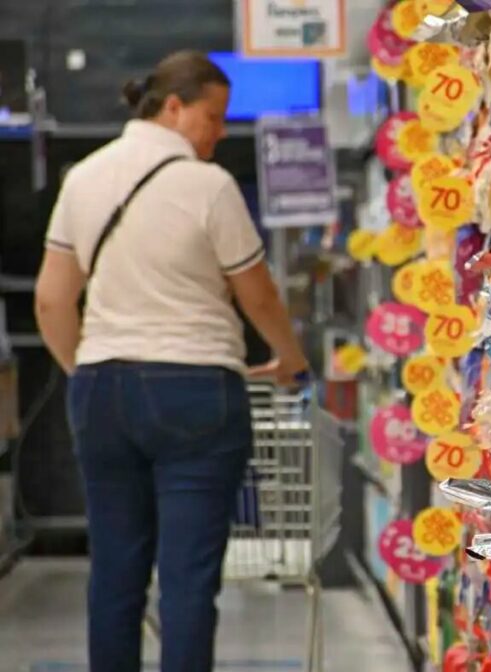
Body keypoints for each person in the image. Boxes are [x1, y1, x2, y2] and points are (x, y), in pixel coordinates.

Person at [34, 50, 309, 672]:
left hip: (101, 386)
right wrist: (290, 358)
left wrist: (88, 373)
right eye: (213, 118)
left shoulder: (84, 177)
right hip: (196, 390)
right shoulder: (209, 186)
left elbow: (52, 300)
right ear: (174, 107)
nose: (219, 133)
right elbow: (258, 294)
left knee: (114, 572)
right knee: (187, 579)